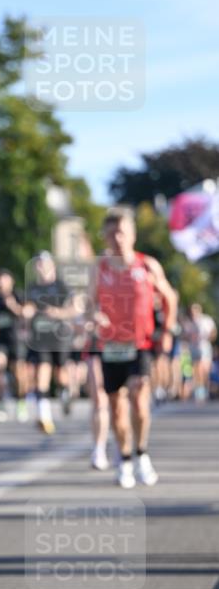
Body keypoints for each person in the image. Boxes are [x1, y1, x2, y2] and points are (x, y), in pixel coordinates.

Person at [94, 208, 177, 489]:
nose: (117, 239)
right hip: (110, 345)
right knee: (117, 408)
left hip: (140, 343)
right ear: (106, 237)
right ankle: (125, 459)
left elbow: (170, 297)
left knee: (140, 399)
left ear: (132, 235)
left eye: (122, 232)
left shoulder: (147, 265)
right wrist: (94, 316)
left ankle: (141, 453)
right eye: (112, 234)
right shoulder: (100, 268)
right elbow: (89, 302)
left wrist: (167, 331)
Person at [22, 252, 80, 435]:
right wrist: (26, 313)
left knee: (61, 375)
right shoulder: (32, 288)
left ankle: (65, 393)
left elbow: (75, 308)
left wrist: (58, 313)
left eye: (44, 264)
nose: (41, 268)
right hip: (40, 338)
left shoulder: (61, 285)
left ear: (52, 266)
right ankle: (44, 416)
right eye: (38, 264)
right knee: (42, 373)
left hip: (59, 337)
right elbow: (27, 307)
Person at [0, 269, 28, 422]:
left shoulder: (18, 295)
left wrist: (13, 306)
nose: (0, 282)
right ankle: (1, 404)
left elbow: (26, 314)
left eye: (3, 279)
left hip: (16, 340)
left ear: (11, 281)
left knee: (19, 373)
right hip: (0, 341)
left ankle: (21, 402)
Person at [185, 302, 216, 402]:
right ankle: (199, 389)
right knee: (196, 368)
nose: (193, 312)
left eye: (195, 310)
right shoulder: (189, 323)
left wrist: (208, 338)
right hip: (194, 348)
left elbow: (213, 332)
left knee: (205, 368)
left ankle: (206, 387)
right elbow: (186, 336)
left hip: (204, 347)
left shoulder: (206, 320)